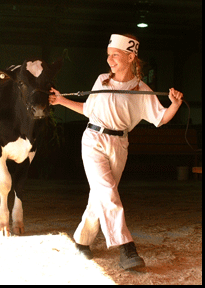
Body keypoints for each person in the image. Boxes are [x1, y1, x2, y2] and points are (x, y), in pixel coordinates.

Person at [49, 34, 183, 270]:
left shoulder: (142, 90)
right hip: (93, 140)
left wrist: (175, 105)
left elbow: (161, 118)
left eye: (115, 56)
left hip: (119, 145)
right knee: (109, 193)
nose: (109, 60)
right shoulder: (102, 80)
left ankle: (81, 241)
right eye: (108, 55)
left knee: (100, 196)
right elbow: (88, 109)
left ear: (131, 57)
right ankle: (127, 248)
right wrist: (60, 101)